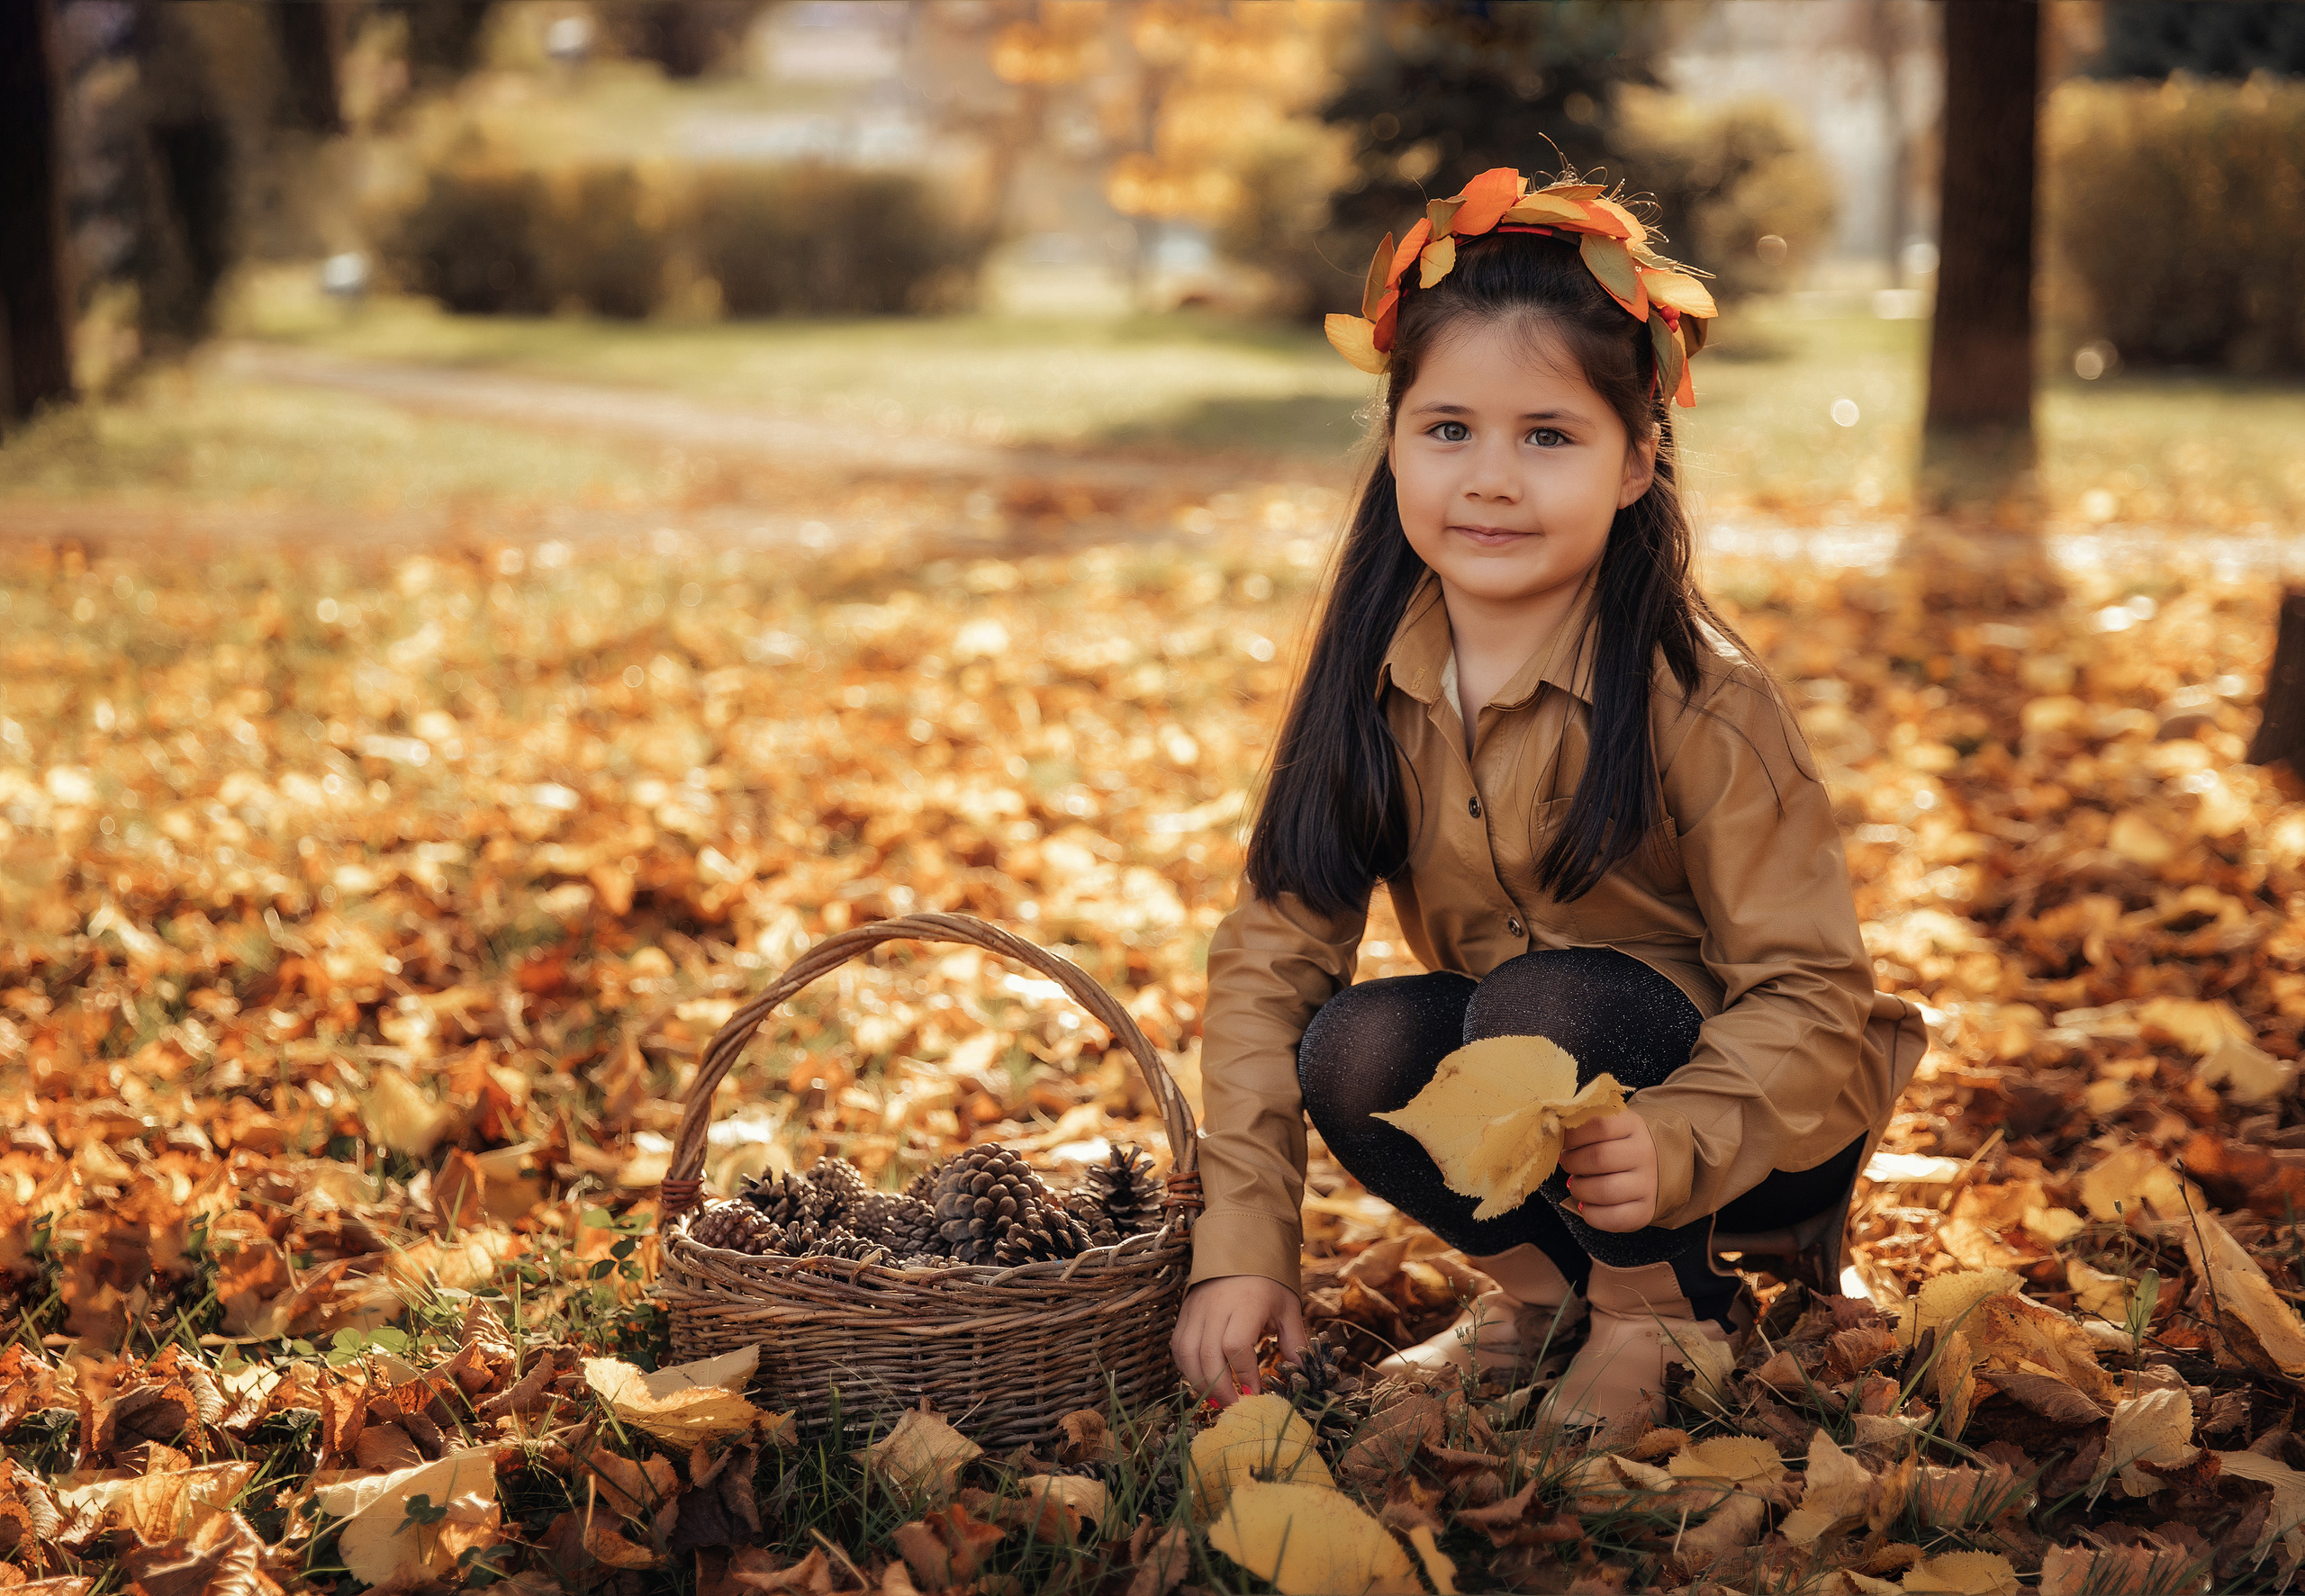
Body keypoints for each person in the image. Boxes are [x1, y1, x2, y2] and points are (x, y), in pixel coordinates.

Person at [1169, 167, 1924, 1427]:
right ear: (1396, 442)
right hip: (1533, 1097)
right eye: (1448, 428)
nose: (1491, 478)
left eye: (1549, 435)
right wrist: (1244, 1242)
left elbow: (1815, 992)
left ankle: (1661, 1314)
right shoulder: (1374, 674)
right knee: (1355, 1045)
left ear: (1636, 463)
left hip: (1744, 1124)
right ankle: (1540, 1295)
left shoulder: (1701, 696)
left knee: (1539, 1005)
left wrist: (1679, 1136)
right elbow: (1272, 955)